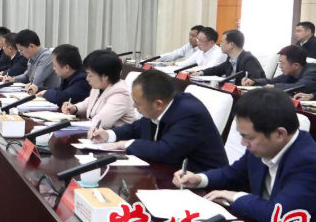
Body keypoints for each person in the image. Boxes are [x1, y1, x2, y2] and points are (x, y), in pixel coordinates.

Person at [173, 88, 316, 222]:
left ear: (279, 134)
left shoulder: (311, 164)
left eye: (248, 137)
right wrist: (199, 179)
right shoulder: (262, 146)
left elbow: (278, 216)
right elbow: (233, 174)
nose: (243, 143)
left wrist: (235, 196)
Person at [89, 69, 228, 172]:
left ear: (158, 104)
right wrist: (109, 135)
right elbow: (137, 127)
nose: (134, 106)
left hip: (204, 185)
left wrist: (125, 144)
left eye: (137, 103)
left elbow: (165, 151)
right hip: (169, 174)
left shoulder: (190, 114)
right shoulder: (164, 105)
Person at [62, 50, 135, 129]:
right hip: (94, 132)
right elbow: (88, 104)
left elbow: (101, 122)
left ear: (105, 76)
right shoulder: (100, 86)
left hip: (112, 134)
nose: (87, 79)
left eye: (90, 75)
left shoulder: (120, 94)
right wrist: (74, 108)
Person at [243, 45, 316, 100]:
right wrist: (254, 82)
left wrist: (274, 87)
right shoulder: (292, 72)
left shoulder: (314, 72)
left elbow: (297, 87)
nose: (280, 66)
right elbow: (272, 81)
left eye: (282, 63)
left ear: (296, 65)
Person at [191, 29, 265, 85]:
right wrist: (200, 73)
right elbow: (217, 69)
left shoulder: (249, 60)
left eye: (222, 42)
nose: (220, 45)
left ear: (231, 44)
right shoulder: (230, 59)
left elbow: (256, 81)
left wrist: (250, 82)